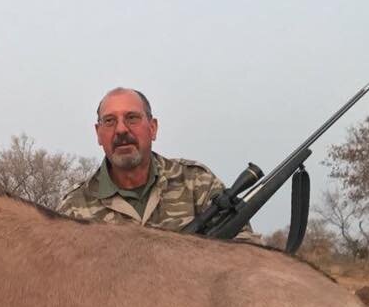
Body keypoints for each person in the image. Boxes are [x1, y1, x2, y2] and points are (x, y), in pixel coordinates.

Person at [58, 87, 251, 236]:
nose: (121, 130)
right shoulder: (74, 208)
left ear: (153, 128)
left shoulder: (196, 183)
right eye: (109, 121)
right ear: (98, 134)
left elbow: (246, 255)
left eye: (132, 118)